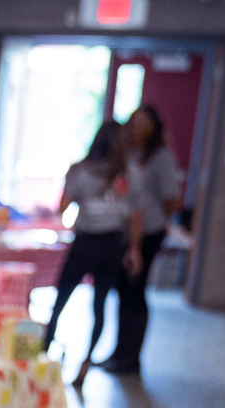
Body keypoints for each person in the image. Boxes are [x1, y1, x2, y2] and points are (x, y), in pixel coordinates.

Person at [41, 121, 142, 381]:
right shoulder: (129, 173)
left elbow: (63, 207)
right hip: (112, 245)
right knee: (99, 306)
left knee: (61, 300)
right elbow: (135, 216)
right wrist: (134, 249)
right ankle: (85, 363)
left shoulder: (80, 171)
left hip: (86, 243)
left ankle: (42, 355)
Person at [101, 104, 183, 374]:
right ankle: (119, 351)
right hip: (125, 230)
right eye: (135, 122)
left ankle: (130, 357)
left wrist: (159, 221)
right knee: (123, 290)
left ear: (155, 127)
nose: (139, 128)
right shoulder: (127, 154)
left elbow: (171, 199)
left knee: (135, 289)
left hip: (148, 231)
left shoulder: (161, 156)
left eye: (145, 123)